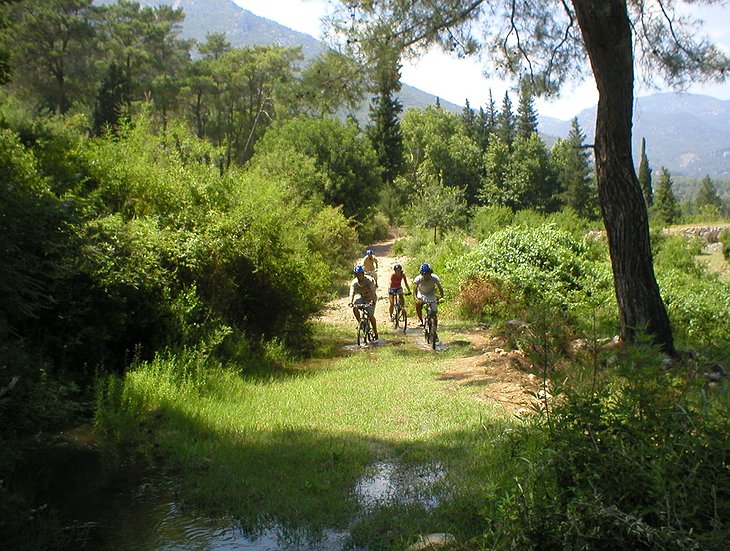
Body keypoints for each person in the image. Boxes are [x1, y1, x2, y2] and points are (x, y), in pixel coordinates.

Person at [348, 265, 378, 341]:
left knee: (370, 315)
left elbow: (372, 291)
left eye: (360, 275)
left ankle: (375, 331)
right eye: (357, 275)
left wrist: (372, 301)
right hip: (362, 298)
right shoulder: (354, 283)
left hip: (371, 298)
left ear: (363, 274)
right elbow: (352, 293)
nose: (359, 277)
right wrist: (350, 302)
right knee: (355, 307)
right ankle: (360, 323)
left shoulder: (369, 280)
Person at [413, 262, 444, 328]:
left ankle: (434, 328)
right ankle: (420, 320)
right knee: (418, 304)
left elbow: (440, 287)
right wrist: (416, 299)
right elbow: (414, 290)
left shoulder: (435, 278)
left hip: (431, 294)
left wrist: (442, 297)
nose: (426, 276)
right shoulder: (418, 279)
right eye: (424, 274)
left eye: (428, 274)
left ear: (430, 273)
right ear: (422, 274)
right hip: (421, 293)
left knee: (434, 311)